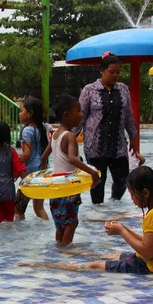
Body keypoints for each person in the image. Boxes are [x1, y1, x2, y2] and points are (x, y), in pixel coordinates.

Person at [20, 166, 153, 274]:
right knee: (112, 255)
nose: (132, 199)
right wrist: (124, 228)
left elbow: (147, 253)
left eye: (133, 194)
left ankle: (46, 266)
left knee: (94, 265)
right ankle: (67, 252)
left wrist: (121, 232)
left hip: (152, 267)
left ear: (145, 193)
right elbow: (151, 244)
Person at [76, 52, 144, 204]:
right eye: (111, 72)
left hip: (118, 144)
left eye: (118, 72)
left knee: (123, 179)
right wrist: (70, 137)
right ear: (102, 70)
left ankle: (115, 205)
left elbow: (128, 115)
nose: (115, 75)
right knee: (97, 180)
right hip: (95, 144)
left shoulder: (123, 89)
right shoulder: (89, 90)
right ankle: (98, 212)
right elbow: (80, 115)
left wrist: (133, 137)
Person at [40, 95, 100, 246]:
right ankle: (66, 254)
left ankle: (58, 248)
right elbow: (73, 159)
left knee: (60, 224)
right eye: (78, 111)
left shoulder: (54, 135)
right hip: (69, 188)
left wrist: (43, 175)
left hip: (55, 188)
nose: (81, 114)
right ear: (66, 115)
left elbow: (43, 158)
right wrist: (92, 172)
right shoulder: (70, 136)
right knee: (72, 223)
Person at [16, 96, 50, 220]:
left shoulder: (27, 131)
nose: (19, 114)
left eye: (21, 111)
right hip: (43, 171)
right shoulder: (45, 128)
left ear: (30, 114)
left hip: (30, 174)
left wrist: (16, 165)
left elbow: (27, 154)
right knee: (39, 208)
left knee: (18, 209)